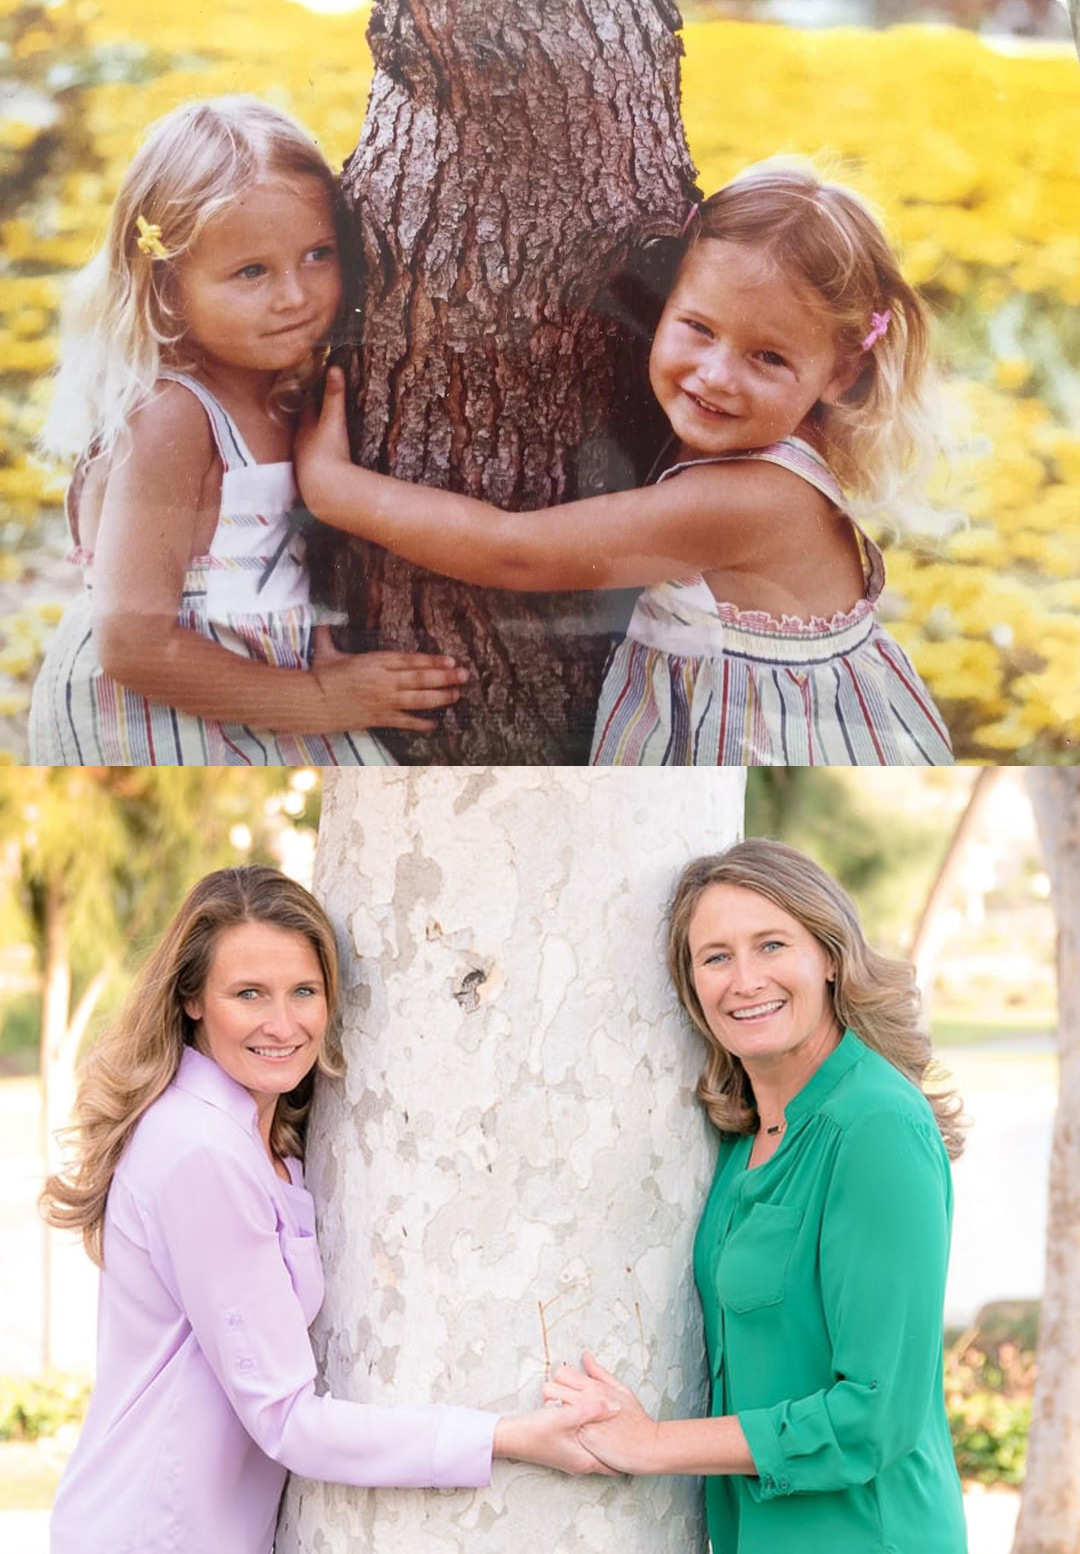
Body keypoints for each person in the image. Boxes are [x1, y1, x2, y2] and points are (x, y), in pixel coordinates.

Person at [295, 162, 954, 767]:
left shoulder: (752, 499)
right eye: (699, 327)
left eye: (769, 358)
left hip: (766, 735)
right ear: (665, 304)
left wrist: (336, 491)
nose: (716, 376)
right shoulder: (745, 439)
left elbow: (514, 554)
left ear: (841, 374)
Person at [41, 866, 610, 1554]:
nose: (283, 1025)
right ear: (192, 998)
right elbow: (288, 1420)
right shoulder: (201, 1154)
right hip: (154, 1533)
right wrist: (507, 1437)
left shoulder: (257, 1136)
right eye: (248, 994)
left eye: (304, 992)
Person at [544, 838, 967, 1552]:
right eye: (716, 957)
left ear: (829, 956)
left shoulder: (875, 1127)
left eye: (772, 945)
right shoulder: (745, 1131)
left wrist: (649, 1443)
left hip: (868, 1534)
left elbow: (876, 1414)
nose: (744, 980)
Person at [28, 97, 468, 765]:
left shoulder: (286, 392)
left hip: (263, 693)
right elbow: (133, 643)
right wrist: (322, 699)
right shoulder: (173, 415)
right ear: (169, 286)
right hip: (161, 718)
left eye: (318, 254)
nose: (296, 295)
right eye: (251, 272)